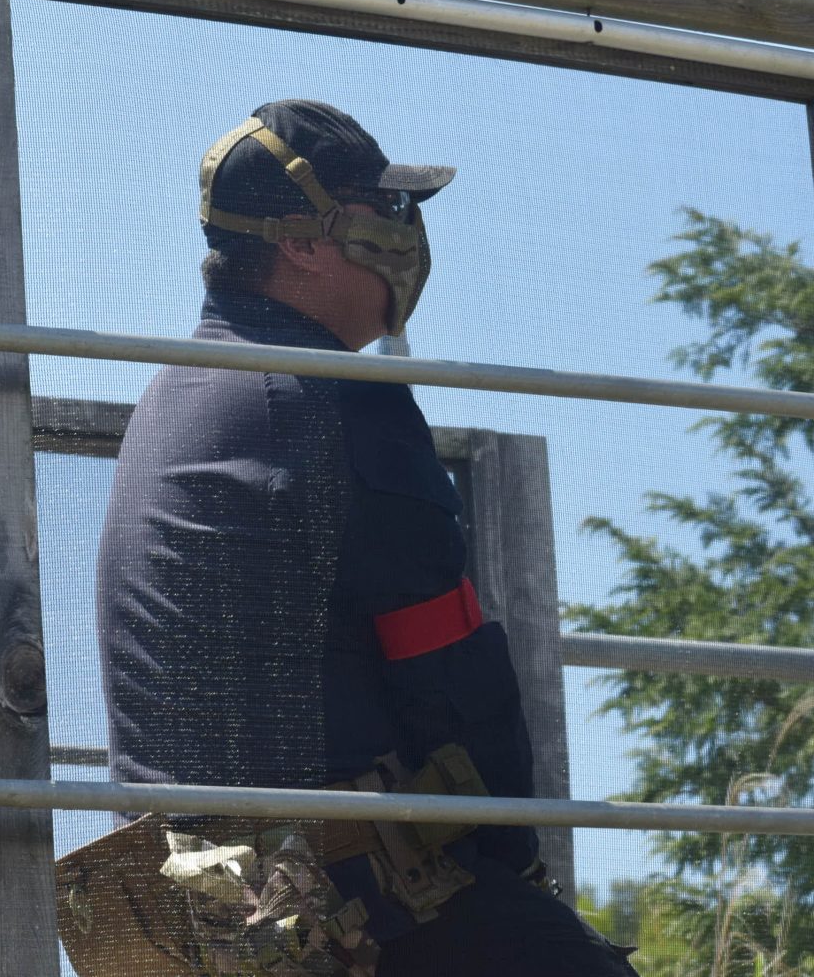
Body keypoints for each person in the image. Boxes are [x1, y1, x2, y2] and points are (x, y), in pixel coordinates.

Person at [59, 100, 638, 976]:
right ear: (301, 242)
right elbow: (451, 679)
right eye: (387, 207)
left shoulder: (176, 396)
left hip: (192, 927)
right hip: (337, 902)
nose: (408, 233)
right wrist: (517, 868)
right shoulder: (335, 395)